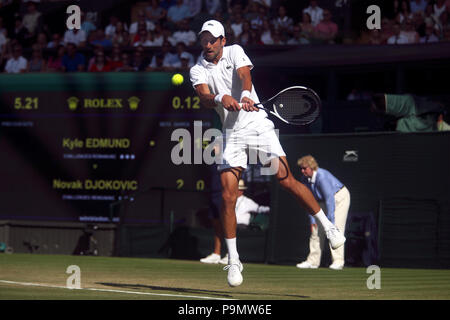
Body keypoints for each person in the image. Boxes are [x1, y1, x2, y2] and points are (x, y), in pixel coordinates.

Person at [189, 19, 346, 287]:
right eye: (204, 39)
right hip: (232, 135)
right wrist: (219, 98)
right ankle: (234, 260)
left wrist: (247, 94)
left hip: (258, 125)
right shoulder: (197, 70)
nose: (208, 43)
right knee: (228, 196)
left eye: (212, 39)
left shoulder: (236, 51)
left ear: (222, 40)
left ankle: (328, 226)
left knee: (286, 180)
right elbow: (204, 96)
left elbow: (244, 75)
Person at [296, 155, 350, 270]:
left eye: (304, 168)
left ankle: (338, 261)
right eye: (301, 168)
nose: (302, 171)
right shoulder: (304, 179)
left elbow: (330, 199)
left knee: (335, 228)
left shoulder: (322, 177)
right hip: (321, 201)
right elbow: (308, 200)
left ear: (311, 167)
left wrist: (330, 220)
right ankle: (313, 261)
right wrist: (312, 220)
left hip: (339, 197)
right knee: (315, 230)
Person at [200, 179, 270, 264]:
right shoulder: (227, 200)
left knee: (232, 228)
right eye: (238, 189)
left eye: (241, 189)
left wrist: (270, 209)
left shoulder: (247, 201)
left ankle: (230, 255)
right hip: (229, 225)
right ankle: (217, 254)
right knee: (222, 228)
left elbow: (259, 209)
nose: (239, 191)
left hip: (241, 226)